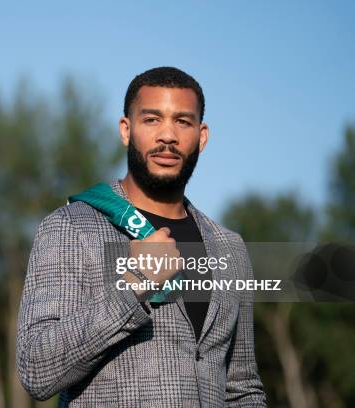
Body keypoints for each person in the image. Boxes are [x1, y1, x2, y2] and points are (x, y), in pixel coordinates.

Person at [16, 67, 267, 407]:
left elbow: (243, 388)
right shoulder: (71, 227)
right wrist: (136, 283)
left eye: (182, 121)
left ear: (202, 136)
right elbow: (36, 369)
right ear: (126, 129)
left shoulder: (229, 248)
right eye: (152, 120)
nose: (168, 136)